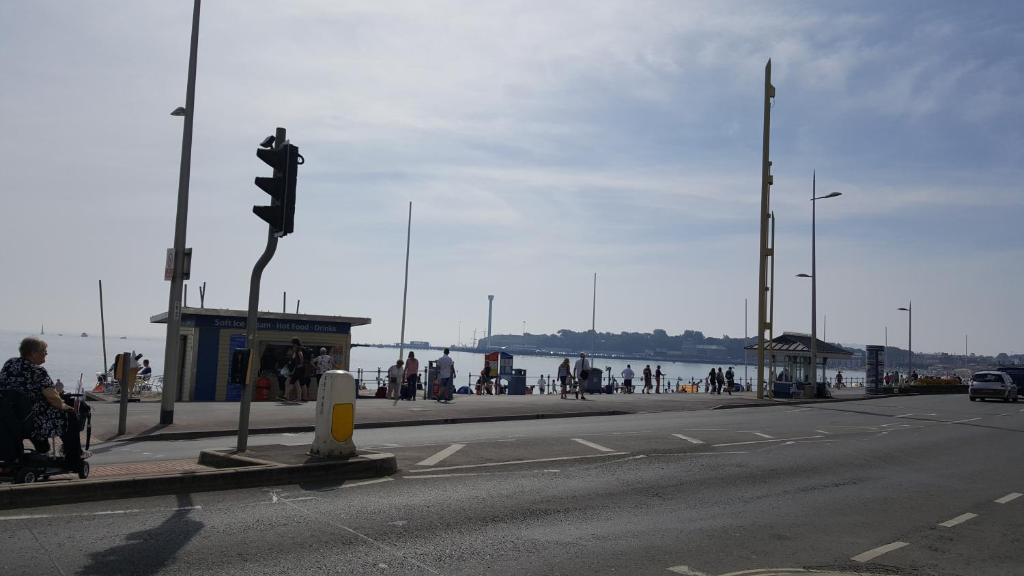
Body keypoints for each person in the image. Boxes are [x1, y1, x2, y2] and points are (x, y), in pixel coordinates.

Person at [0, 337, 88, 469]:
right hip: (33, 417)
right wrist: (65, 405)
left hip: (9, 414)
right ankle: (73, 458)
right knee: (69, 416)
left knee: (37, 415)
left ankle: (42, 447)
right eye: (44, 351)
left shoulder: (10, 364)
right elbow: (52, 397)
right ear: (33, 353)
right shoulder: (38, 371)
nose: (46, 354)